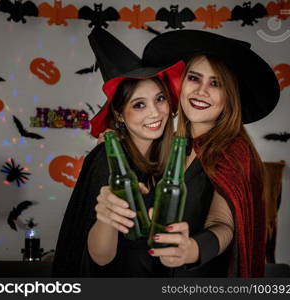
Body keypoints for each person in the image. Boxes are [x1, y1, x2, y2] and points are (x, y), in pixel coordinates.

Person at [141, 30, 280, 277]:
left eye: (216, 83)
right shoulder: (172, 148)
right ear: (182, 84)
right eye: (194, 78)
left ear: (230, 97)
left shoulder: (234, 153)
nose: (201, 91)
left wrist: (192, 249)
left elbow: (223, 224)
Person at [52, 28, 185, 277]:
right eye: (139, 104)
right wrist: (107, 217)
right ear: (119, 114)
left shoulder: (169, 159)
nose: (155, 113)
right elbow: (100, 256)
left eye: (160, 99)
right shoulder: (107, 160)